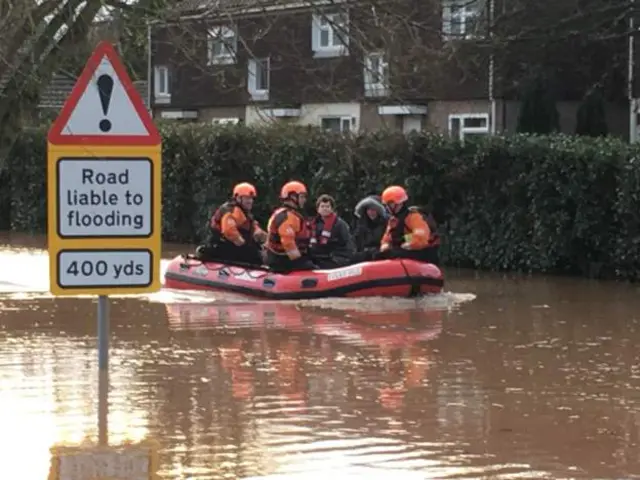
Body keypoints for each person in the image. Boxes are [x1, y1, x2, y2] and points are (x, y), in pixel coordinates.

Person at [195, 182, 267, 266]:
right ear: (238, 198)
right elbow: (229, 230)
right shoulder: (229, 210)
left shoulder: (245, 213)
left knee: (257, 251)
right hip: (224, 246)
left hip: (234, 246)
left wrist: (263, 237)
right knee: (254, 254)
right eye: (247, 198)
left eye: (251, 198)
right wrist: (244, 244)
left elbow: (253, 226)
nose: (250, 201)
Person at [377, 185, 440, 265]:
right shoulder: (393, 220)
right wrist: (385, 245)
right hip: (406, 250)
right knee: (379, 254)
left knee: (394, 253)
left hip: (423, 253)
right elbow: (387, 238)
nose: (387, 208)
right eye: (386, 205)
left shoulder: (414, 217)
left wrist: (407, 244)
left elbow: (421, 239)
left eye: (389, 204)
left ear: (399, 203)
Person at [265, 180, 318, 272]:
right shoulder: (286, 217)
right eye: (302, 197)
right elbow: (288, 244)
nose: (304, 200)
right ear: (292, 197)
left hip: (286, 257)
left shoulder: (291, 214)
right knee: (311, 266)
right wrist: (302, 262)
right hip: (282, 260)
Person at [308, 194, 355, 268]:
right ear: (318, 209)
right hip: (319, 257)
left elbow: (348, 243)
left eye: (327, 206)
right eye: (322, 206)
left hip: (335, 257)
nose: (325, 209)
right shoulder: (313, 224)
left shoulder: (339, 224)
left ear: (332, 208)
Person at [352, 194, 388, 262]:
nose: (371, 212)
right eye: (368, 209)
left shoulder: (387, 223)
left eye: (373, 210)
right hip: (363, 257)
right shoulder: (361, 224)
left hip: (380, 255)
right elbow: (355, 241)